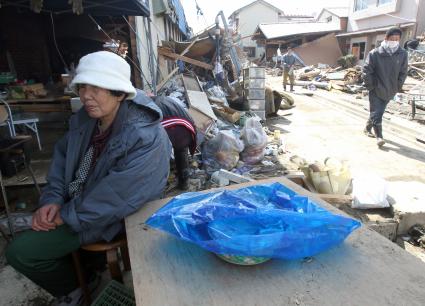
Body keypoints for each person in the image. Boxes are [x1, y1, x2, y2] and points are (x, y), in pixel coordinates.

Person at [5, 51, 171, 303]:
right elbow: (62, 162)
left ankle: (76, 289)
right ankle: (84, 276)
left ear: (118, 92)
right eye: (82, 86)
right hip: (79, 204)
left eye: (96, 88)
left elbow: (116, 198)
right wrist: (52, 199)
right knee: (36, 237)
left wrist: (64, 216)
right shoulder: (86, 119)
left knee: (20, 252)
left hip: (108, 216)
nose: (85, 96)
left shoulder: (145, 137)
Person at [362, 27, 408, 147]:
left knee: (377, 112)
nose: (394, 41)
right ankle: (379, 137)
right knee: (378, 112)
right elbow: (366, 71)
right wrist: (371, 86)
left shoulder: (402, 54)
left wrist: (397, 87)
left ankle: (367, 128)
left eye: (397, 39)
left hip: (390, 90)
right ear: (386, 39)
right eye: (392, 38)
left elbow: (403, 72)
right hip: (376, 89)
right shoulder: (375, 53)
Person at [151, 92, 197, 190]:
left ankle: (159, 189)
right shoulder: (165, 100)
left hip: (171, 129)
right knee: (181, 152)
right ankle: (184, 183)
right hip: (186, 128)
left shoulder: (147, 107)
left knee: (160, 159)